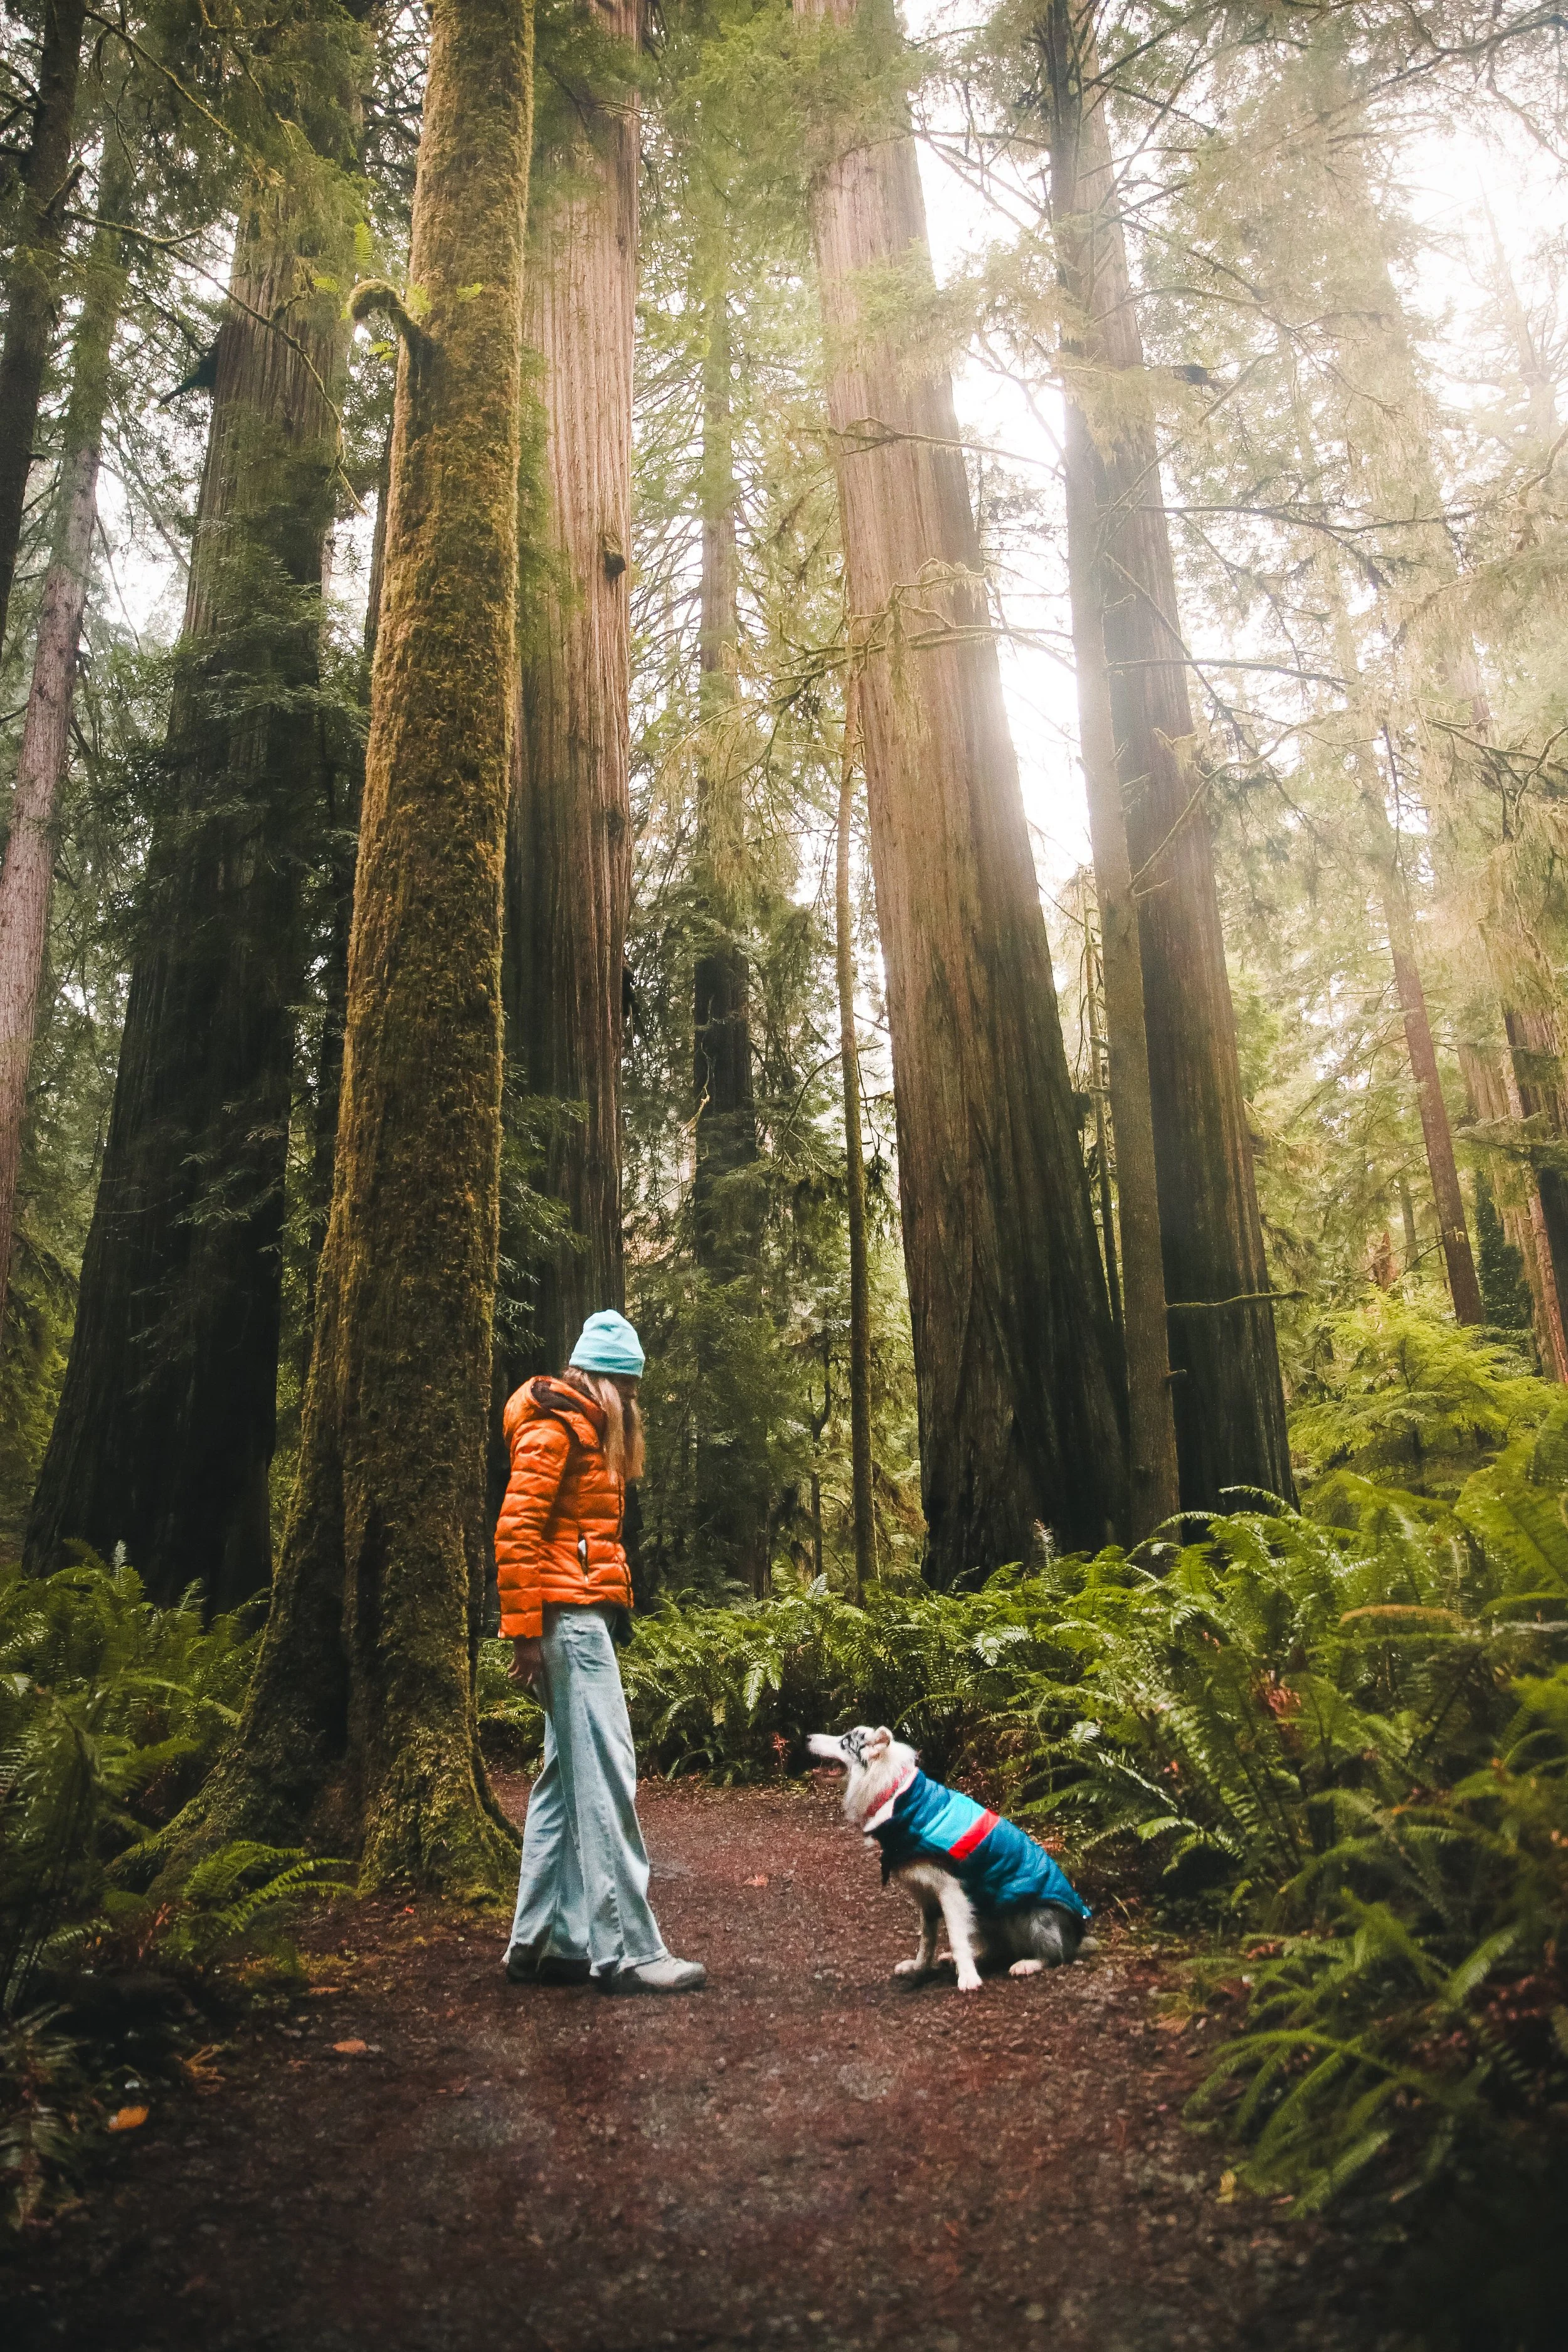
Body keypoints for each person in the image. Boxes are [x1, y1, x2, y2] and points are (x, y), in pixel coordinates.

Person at [495, 1310, 706, 1994]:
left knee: (563, 1781)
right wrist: (525, 1630)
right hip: (568, 1624)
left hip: (576, 1617)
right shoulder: (557, 1427)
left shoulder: (583, 1428)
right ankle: (630, 1951)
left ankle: (547, 1942)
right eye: (632, 1390)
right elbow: (517, 1528)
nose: (636, 1403)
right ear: (604, 1380)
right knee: (610, 1771)